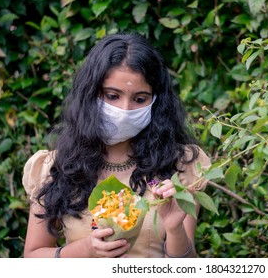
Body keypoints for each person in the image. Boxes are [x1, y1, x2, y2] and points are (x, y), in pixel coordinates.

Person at [22, 32, 211, 258]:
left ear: (156, 101)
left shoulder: (180, 165)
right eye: (112, 96)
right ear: (91, 94)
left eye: (140, 99)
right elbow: (32, 257)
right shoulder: (55, 167)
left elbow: (189, 267)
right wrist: (86, 248)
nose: (125, 110)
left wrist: (174, 229)